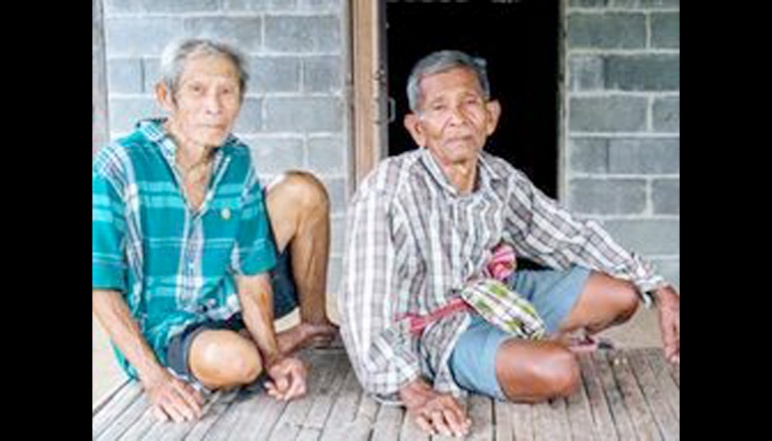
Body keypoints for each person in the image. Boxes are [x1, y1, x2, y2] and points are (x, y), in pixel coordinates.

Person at [339, 50, 680, 437]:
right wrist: (413, 389)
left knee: (622, 295)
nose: (457, 119)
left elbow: (569, 235)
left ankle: (517, 344)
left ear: (490, 116)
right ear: (418, 129)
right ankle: (502, 354)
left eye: (469, 103)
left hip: (492, 295)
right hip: (435, 329)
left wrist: (658, 286)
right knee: (559, 371)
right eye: (439, 107)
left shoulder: (499, 177)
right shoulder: (387, 188)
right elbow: (362, 308)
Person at [92, 38, 338, 423]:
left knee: (303, 189)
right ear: (165, 96)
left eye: (227, 92)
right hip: (164, 327)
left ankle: (303, 330)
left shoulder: (235, 160)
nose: (214, 106)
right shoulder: (119, 163)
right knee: (236, 361)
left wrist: (274, 359)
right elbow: (100, 283)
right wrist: (155, 380)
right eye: (197, 90)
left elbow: (251, 271)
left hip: (226, 303)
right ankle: (262, 344)